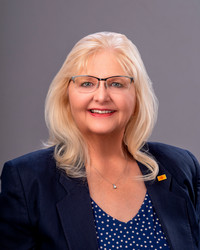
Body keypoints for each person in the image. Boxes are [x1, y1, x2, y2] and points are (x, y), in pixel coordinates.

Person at [0, 32, 199, 250]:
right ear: (66, 95)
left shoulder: (180, 167)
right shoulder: (27, 180)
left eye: (117, 84)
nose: (102, 96)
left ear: (137, 95)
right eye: (86, 83)